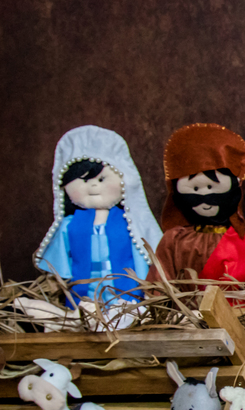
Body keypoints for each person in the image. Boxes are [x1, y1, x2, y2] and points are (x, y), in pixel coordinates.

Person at [146, 123, 245, 295]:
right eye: (195, 189)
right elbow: (159, 289)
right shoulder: (174, 242)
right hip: (185, 311)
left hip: (234, 311)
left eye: (212, 187)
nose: (204, 196)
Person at [33, 126, 162, 308]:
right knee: (84, 309)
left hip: (126, 293)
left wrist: (146, 281)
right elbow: (61, 258)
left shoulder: (129, 223)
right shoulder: (70, 224)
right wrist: (59, 277)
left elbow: (139, 254)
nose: (93, 186)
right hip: (83, 293)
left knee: (125, 308)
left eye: (101, 179)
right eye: (85, 180)